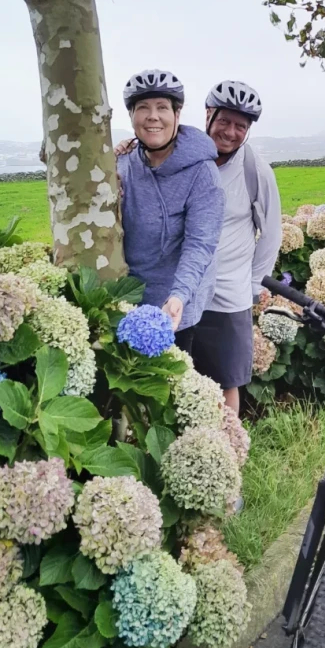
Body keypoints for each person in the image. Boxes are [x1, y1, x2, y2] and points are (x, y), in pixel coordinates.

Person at [117, 80, 282, 412]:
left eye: (240, 126)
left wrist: (250, 285)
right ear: (208, 115)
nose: (230, 132)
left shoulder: (255, 170)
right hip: (176, 288)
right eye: (224, 121)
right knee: (182, 379)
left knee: (225, 380)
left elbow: (271, 232)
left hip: (226, 291)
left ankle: (228, 452)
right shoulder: (173, 156)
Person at [117, 70, 225, 352]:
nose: (153, 116)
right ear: (131, 117)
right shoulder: (122, 162)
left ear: (177, 115)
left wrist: (178, 297)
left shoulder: (203, 173)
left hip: (175, 306)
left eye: (162, 107)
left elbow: (200, 244)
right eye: (143, 108)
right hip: (126, 298)